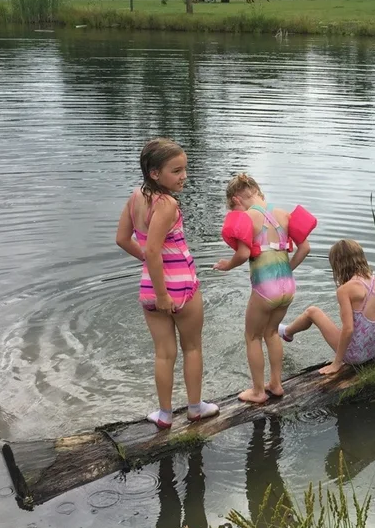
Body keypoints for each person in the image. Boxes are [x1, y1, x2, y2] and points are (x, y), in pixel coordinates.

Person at [115, 138, 218, 429]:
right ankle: (196, 409)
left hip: (150, 288)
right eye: (176, 170)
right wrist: (164, 293)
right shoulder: (168, 204)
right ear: (155, 173)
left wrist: (152, 276)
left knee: (163, 353)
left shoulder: (135, 198)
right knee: (193, 348)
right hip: (180, 288)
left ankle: (164, 415)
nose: (184, 175)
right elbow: (152, 250)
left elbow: (123, 239)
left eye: (184, 169)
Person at [214, 174, 314, 404]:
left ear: (236, 200)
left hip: (265, 288)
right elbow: (305, 248)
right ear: (258, 192)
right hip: (287, 286)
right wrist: (287, 269)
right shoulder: (283, 214)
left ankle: (258, 391)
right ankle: (276, 384)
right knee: (271, 332)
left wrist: (226, 266)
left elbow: (243, 254)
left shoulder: (248, 218)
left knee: (252, 336)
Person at [280, 239, 375, 375]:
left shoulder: (345, 290)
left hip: (353, 357)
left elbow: (348, 329)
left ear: (338, 264)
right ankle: (287, 332)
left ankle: (287, 333)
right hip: (371, 352)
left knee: (312, 311)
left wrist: (337, 363)